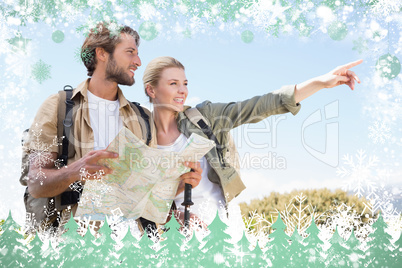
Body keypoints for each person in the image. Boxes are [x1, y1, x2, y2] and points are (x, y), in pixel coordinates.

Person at [23, 22, 202, 233]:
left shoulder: (143, 117)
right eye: (130, 53)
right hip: (76, 248)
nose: (138, 61)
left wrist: (178, 187)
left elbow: (148, 198)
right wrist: (74, 171)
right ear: (102, 54)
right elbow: (35, 182)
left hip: (135, 249)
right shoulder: (58, 106)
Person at [142, 56, 362, 226]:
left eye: (185, 83)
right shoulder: (139, 138)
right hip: (175, 236)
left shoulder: (204, 118)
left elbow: (258, 106)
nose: (182, 90)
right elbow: (135, 199)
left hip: (223, 227)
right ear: (151, 90)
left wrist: (320, 82)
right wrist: (175, 208)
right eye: (173, 84)